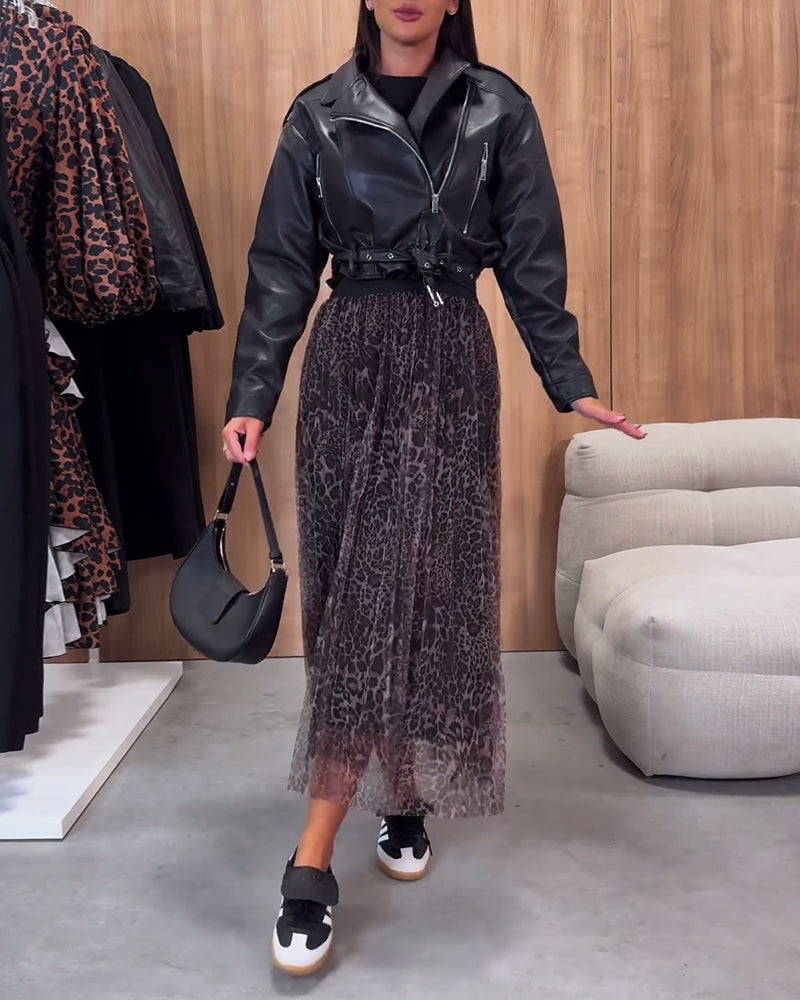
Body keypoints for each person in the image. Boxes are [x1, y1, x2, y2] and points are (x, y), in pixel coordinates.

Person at [223, 0, 645, 978]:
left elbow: (531, 257)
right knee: (357, 595)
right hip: (349, 365)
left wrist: (568, 377)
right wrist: (254, 391)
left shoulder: (499, 108)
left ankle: (333, 842)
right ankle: (378, 806)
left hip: (450, 366)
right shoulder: (317, 112)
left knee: (424, 586)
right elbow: (282, 265)